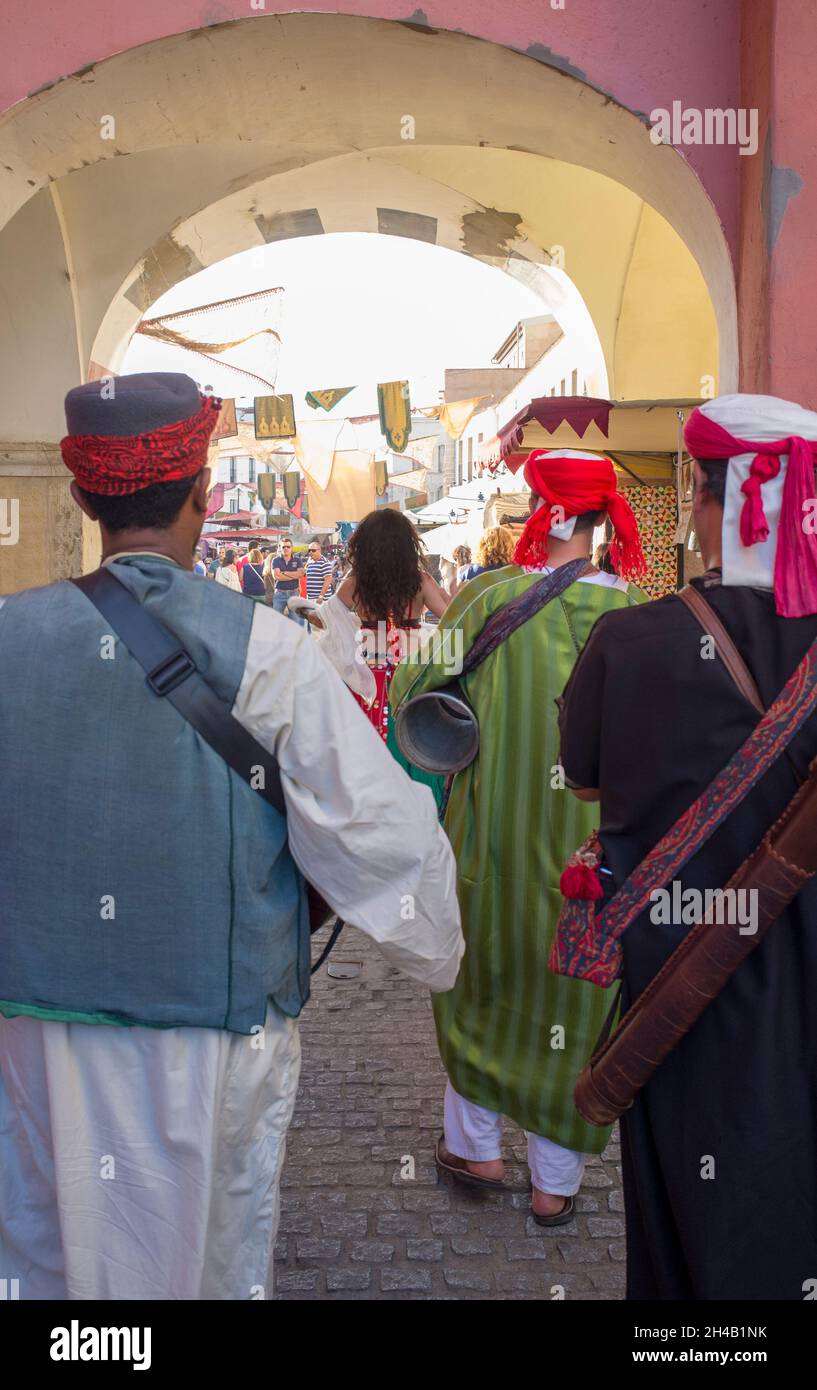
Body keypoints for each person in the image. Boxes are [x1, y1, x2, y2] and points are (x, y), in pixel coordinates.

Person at [0, 372, 463, 1301]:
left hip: (29, 1019)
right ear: (204, 497)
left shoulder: (9, 637)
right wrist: (436, 950)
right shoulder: (268, 648)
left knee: (45, 1241)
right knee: (192, 1254)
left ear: (86, 495)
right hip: (206, 1030)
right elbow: (383, 837)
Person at [558, 394, 817, 1300]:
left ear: (713, 500)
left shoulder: (628, 640)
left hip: (684, 977)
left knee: (684, 1215)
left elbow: (583, 775)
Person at [390, 448, 647, 1225]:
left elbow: (412, 690)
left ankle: (476, 1147)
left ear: (544, 511)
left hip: (488, 844)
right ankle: (553, 1185)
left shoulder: (485, 599)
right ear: (604, 519)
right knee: (569, 991)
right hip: (591, 857)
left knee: (482, 981)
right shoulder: (637, 615)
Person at [311, 509, 449, 808]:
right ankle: (419, 811)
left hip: (367, 677)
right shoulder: (421, 581)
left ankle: (371, 811)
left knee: (364, 747)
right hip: (412, 677)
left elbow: (326, 619)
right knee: (416, 743)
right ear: (407, 544)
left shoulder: (356, 582)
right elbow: (454, 617)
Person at [267, 539, 305, 623]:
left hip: (294, 593)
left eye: (288, 546)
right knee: (276, 620)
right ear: (280, 548)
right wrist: (294, 575)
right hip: (280, 594)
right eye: (284, 547)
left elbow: (301, 574)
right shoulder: (275, 560)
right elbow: (276, 576)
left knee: (295, 621)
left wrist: (284, 573)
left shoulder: (298, 560)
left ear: (292, 548)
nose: (286, 548)